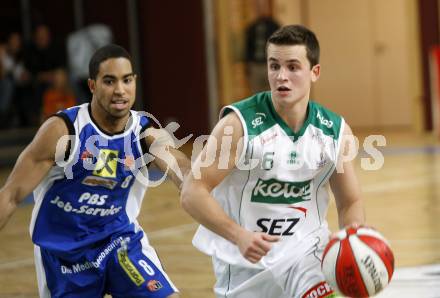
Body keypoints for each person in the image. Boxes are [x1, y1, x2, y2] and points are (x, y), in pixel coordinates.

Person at [181, 25, 365, 298]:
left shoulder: (334, 131)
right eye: (274, 66)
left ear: (315, 72)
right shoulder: (238, 125)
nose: (281, 76)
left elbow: (350, 201)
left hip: (307, 255)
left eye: (293, 67)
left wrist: (355, 244)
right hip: (245, 265)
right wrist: (239, 235)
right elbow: (192, 192)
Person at [0, 44, 189, 297]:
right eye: (109, 81)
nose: (120, 90)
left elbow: (182, 169)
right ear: (92, 86)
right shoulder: (63, 131)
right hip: (65, 256)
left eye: (126, 80)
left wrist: (192, 185)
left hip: (119, 242)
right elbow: (11, 195)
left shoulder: (146, 133)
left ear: (135, 82)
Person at [244, 0, 280, 93]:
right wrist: (248, 65)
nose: (261, 9)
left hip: (269, 65)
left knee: (272, 93)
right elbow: (248, 47)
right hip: (255, 66)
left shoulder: (275, 26)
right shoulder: (251, 27)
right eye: (258, 6)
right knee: (257, 95)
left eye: (263, 6)